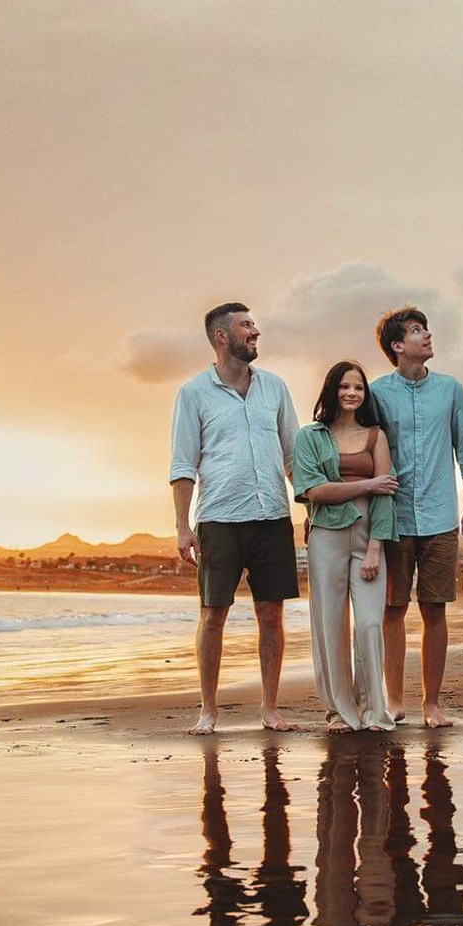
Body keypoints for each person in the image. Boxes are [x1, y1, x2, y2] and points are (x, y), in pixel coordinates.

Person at [170, 301, 300, 735]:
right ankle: (209, 710)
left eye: (255, 325)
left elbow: (292, 457)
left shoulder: (275, 388)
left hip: (272, 517)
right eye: (247, 326)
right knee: (213, 615)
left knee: (271, 616)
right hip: (220, 520)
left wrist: (312, 509)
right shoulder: (193, 393)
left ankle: (269, 708)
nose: (256, 332)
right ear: (221, 336)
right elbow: (183, 464)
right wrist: (183, 527)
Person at [370, 308, 463, 729]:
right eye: (417, 331)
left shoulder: (450, 390)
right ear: (398, 346)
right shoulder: (377, 392)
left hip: (440, 516)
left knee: (435, 609)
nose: (427, 335)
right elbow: (365, 452)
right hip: (394, 518)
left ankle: (432, 704)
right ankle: (395, 700)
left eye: (426, 328)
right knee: (392, 609)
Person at [292, 361, 400, 732]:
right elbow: (313, 490)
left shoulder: (376, 436)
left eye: (358, 387)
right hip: (326, 536)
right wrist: (368, 485)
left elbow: (388, 498)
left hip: (367, 537)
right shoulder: (310, 437)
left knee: (370, 623)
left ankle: (373, 711)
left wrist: (375, 549)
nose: (352, 393)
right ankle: (340, 711)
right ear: (331, 390)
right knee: (330, 625)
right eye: (344, 386)